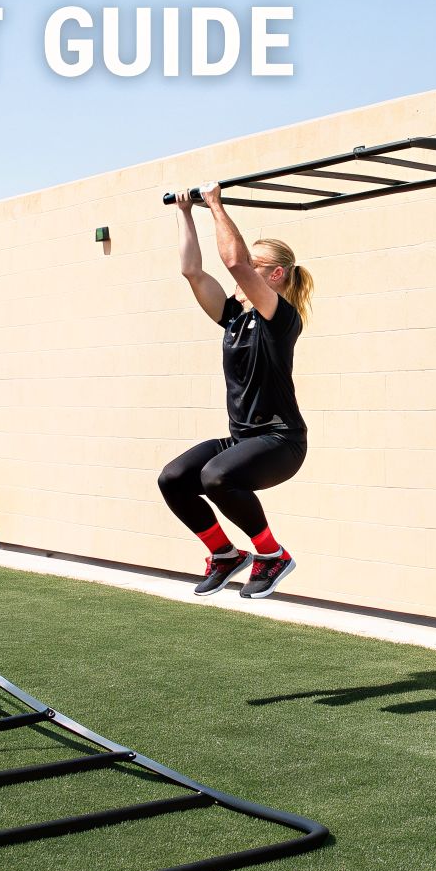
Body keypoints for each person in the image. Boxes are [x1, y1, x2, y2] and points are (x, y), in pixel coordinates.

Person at [159, 185, 314, 599]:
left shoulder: (280, 319)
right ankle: (225, 555)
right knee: (173, 478)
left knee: (216, 476)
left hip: (280, 441)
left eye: (254, 264)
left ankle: (271, 555)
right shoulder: (234, 317)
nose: (241, 269)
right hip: (243, 438)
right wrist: (185, 211)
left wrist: (216, 204)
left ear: (275, 274)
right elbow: (192, 271)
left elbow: (232, 261)